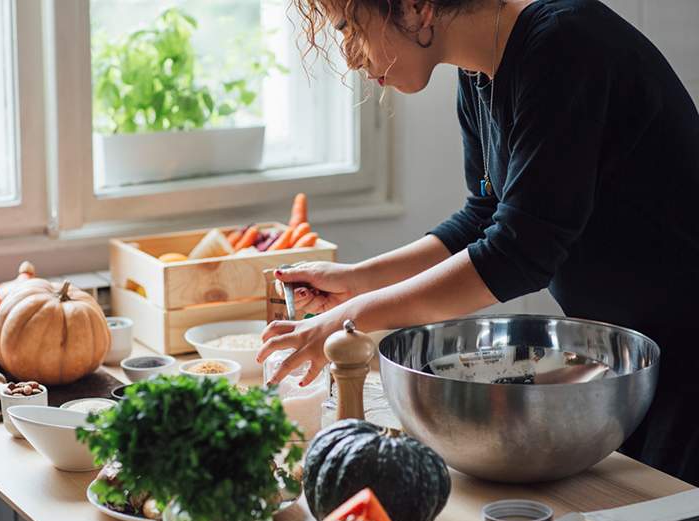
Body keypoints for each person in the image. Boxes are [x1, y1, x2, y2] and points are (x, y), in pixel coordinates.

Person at [255, 0, 699, 485]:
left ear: (416, 7)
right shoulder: (480, 72)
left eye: (349, 29)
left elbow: (518, 254)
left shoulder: (565, 47)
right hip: (636, 353)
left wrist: (351, 318)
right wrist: (357, 282)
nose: (349, 57)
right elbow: (484, 217)